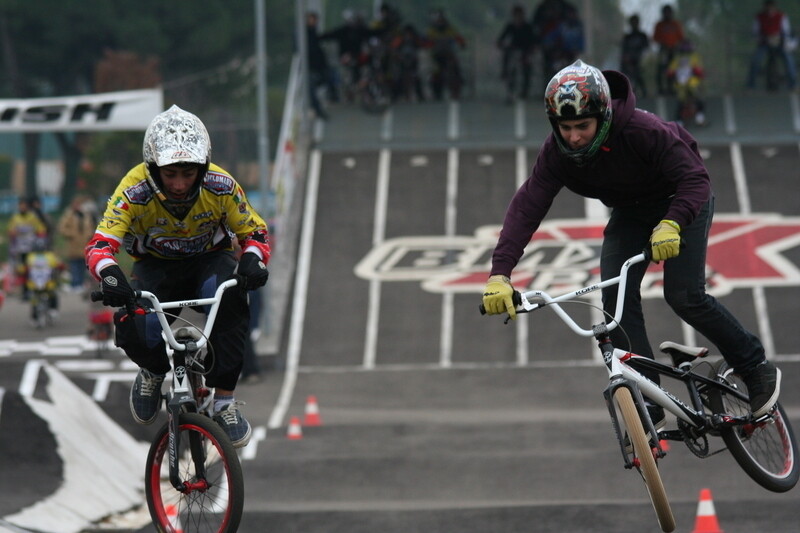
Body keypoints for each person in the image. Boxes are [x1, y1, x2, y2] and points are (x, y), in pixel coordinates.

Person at [481, 60, 781, 425]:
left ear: (604, 118)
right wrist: (500, 274)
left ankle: (754, 366)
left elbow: (696, 180)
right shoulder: (557, 154)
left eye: (582, 126)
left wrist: (672, 223)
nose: (573, 137)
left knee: (683, 294)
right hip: (631, 213)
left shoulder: (642, 131)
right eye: (565, 127)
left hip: (680, 200)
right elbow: (527, 206)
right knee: (613, 309)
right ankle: (648, 399)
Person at [85, 105, 271, 448]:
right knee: (133, 321)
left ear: (203, 168)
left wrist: (252, 261)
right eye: (170, 175)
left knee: (233, 299)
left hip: (208, 261)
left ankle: (225, 402)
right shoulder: (133, 190)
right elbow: (100, 245)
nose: (180, 184)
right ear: (152, 169)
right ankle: (154, 371)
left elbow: (255, 233)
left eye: (188, 173)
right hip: (154, 267)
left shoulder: (221, 185)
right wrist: (110, 276)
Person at [746, 0, 797, 91]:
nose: (770, 8)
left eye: (771, 6)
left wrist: (779, 38)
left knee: (789, 59)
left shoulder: (781, 16)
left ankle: (792, 85)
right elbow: (755, 33)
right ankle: (750, 85)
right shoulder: (759, 17)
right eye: (768, 6)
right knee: (755, 60)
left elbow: (786, 32)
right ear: (765, 6)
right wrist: (764, 38)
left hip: (779, 44)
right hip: (764, 44)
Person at [8, 197, 47, 300]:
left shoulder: (32, 217)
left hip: (32, 248)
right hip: (20, 249)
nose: (22, 207)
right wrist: (13, 233)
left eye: (24, 206)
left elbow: (41, 229)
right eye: (21, 206)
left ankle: (34, 289)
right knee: (22, 270)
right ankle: (25, 291)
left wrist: (40, 238)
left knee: (32, 269)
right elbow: (10, 231)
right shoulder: (15, 218)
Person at [424, 8, 466, 100]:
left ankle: (456, 91)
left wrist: (462, 44)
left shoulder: (450, 29)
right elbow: (427, 41)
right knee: (436, 72)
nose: (440, 22)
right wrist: (428, 44)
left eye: (442, 20)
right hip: (437, 56)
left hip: (449, 55)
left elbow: (458, 37)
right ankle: (437, 92)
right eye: (438, 20)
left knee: (456, 70)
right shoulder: (432, 30)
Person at [496, 4, 536, 102]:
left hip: (525, 52)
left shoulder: (528, 27)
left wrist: (531, 50)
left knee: (527, 69)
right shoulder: (510, 26)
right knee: (509, 66)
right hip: (513, 51)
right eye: (516, 15)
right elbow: (502, 38)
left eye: (520, 15)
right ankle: (506, 77)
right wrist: (501, 44)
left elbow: (534, 40)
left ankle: (524, 91)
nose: (518, 17)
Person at [58, 195, 97, 291]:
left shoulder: (86, 215)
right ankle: (75, 284)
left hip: (85, 244)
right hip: (74, 245)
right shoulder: (69, 215)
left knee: (84, 265)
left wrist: (89, 235)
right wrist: (72, 234)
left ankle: (82, 284)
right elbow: (62, 228)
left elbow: (91, 227)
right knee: (75, 265)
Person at [306, 11, 338, 120]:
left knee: (330, 77)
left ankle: (332, 97)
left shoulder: (313, 32)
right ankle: (318, 109)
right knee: (311, 89)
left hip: (318, 66)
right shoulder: (305, 33)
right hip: (310, 67)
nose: (313, 22)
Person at [666, 40, 706, 126]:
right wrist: (673, 73)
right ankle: (679, 122)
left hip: (692, 81)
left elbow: (700, 70)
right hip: (680, 83)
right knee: (681, 101)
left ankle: (700, 117)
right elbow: (670, 71)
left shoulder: (694, 57)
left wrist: (696, 71)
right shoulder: (677, 58)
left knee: (697, 97)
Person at [653, 4, 685, 96]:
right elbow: (655, 38)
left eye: (669, 12)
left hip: (674, 51)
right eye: (665, 12)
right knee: (661, 69)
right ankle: (661, 89)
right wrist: (664, 45)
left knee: (674, 70)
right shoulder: (659, 25)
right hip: (663, 50)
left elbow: (681, 38)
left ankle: (673, 89)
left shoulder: (676, 24)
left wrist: (676, 46)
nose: (667, 14)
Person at [620, 14, 649, 98]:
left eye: (635, 22)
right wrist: (626, 60)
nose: (634, 24)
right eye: (633, 22)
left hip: (640, 60)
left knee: (638, 74)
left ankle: (644, 92)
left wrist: (642, 59)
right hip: (629, 61)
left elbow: (646, 49)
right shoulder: (627, 37)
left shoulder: (642, 36)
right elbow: (623, 51)